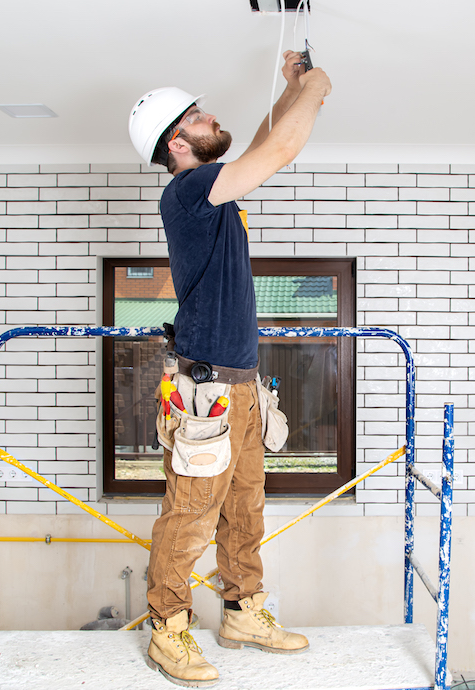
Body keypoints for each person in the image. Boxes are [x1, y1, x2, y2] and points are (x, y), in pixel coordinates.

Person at [127, 51, 331, 688]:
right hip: (206, 390)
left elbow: (271, 136)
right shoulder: (188, 189)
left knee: (245, 509)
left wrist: (294, 85)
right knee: (188, 515)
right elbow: (282, 149)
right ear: (178, 140)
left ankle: (243, 612)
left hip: (241, 387)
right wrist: (319, 87)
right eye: (198, 114)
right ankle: (168, 630)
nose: (213, 115)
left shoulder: (212, 187)